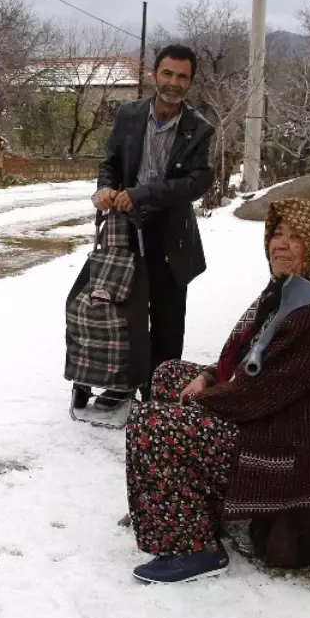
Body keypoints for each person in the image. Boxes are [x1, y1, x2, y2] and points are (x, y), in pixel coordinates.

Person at [124, 198, 310, 584]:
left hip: (291, 443)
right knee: (169, 375)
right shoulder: (301, 285)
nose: (280, 245)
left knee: (154, 422)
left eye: (296, 237)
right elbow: (252, 355)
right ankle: (174, 502)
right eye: (277, 234)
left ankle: (195, 548)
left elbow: (265, 390)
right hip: (276, 413)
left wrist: (202, 398)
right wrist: (210, 377)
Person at [86, 45, 215, 411]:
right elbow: (110, 162)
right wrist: (104, 189)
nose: (174, 82)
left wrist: (142, 194)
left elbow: (196, 183)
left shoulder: (199, 129)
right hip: (126, 230)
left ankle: (161, 391)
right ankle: (123, 384)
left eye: (182, 76)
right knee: (124, 313)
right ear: (154, 74)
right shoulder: (129, 114)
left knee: (167, 319)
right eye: (168, 73)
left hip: (171, 236)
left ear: (191, 82)